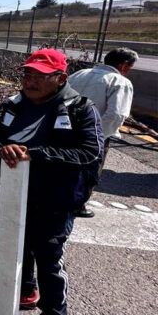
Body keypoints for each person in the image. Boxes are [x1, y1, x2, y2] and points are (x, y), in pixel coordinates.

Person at [0, 48, 104, 314]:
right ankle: (23, 291)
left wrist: (36, 154)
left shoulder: (81, 109)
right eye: (28, 74)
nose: (31, 81)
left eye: (41, 75)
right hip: (12, 193)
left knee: (49, 259)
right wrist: (3, 148)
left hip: (56, 200)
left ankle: (54, 310)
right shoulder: (10, 104)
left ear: (61, 78)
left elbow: (90, 152)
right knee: (15, 248)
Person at [67, 48, 138, 218]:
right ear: (123, 65)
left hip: (66, 129)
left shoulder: (80, 74)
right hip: (93, 135)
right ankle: (77, 205)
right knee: (89, 172)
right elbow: (116, 114)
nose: (129, 71)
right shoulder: (120, 82)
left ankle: (57, 199)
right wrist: (97, 136)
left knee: (65, 165)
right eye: (130, 67)